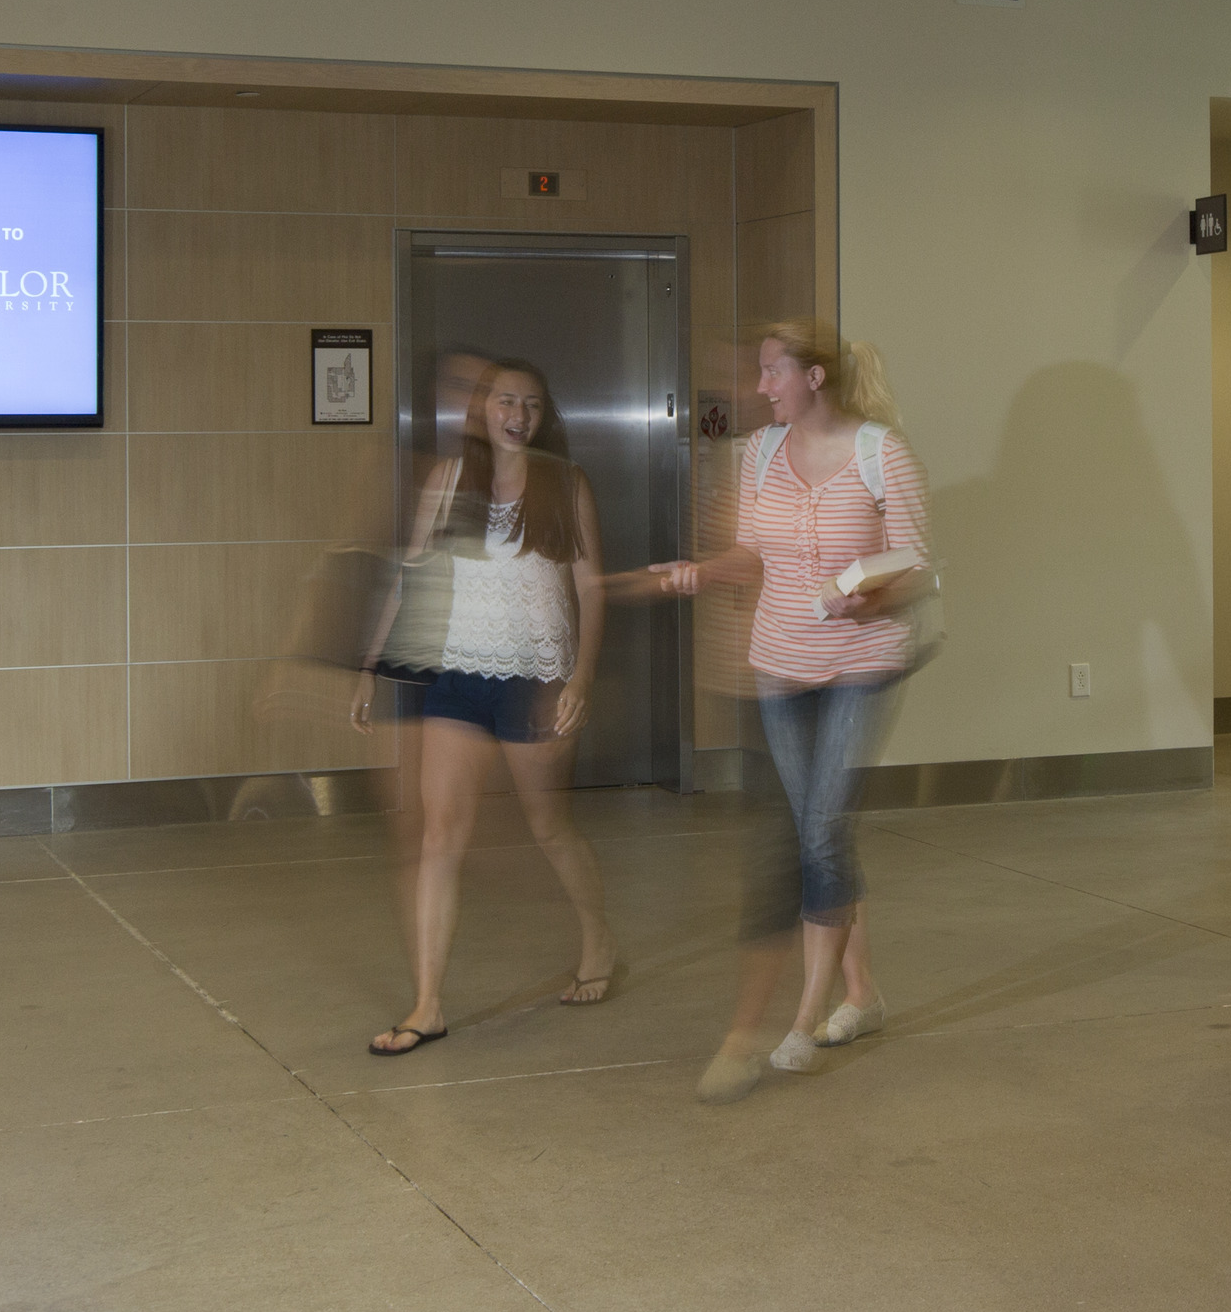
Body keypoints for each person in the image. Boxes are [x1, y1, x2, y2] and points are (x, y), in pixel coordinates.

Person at [625, 319, 929, 1104]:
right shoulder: (759, 453)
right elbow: (752, 556)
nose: (760, 387)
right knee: (815, 833)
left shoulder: (879, 452)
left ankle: (803, 1017)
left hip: (861, 664)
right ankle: (862, 994)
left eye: (771, 372)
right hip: (780, 664)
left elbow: (916, 568)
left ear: (814, 377)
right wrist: (701, 572)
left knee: (822, 831)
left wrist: (868, 598)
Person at [351, 357, 618, 1055]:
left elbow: (591, 589)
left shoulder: (567, 485)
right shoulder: (449, 480)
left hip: (536, 678)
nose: (518, 415)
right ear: (483, 408)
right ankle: (428, 1003)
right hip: (455, 675)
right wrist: (370, 666)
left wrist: (582, 678)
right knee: (440, 834)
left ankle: (598, 937)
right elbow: (409, 575)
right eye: (506, 400)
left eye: (532, 404)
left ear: (543, 414)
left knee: (549, 826)